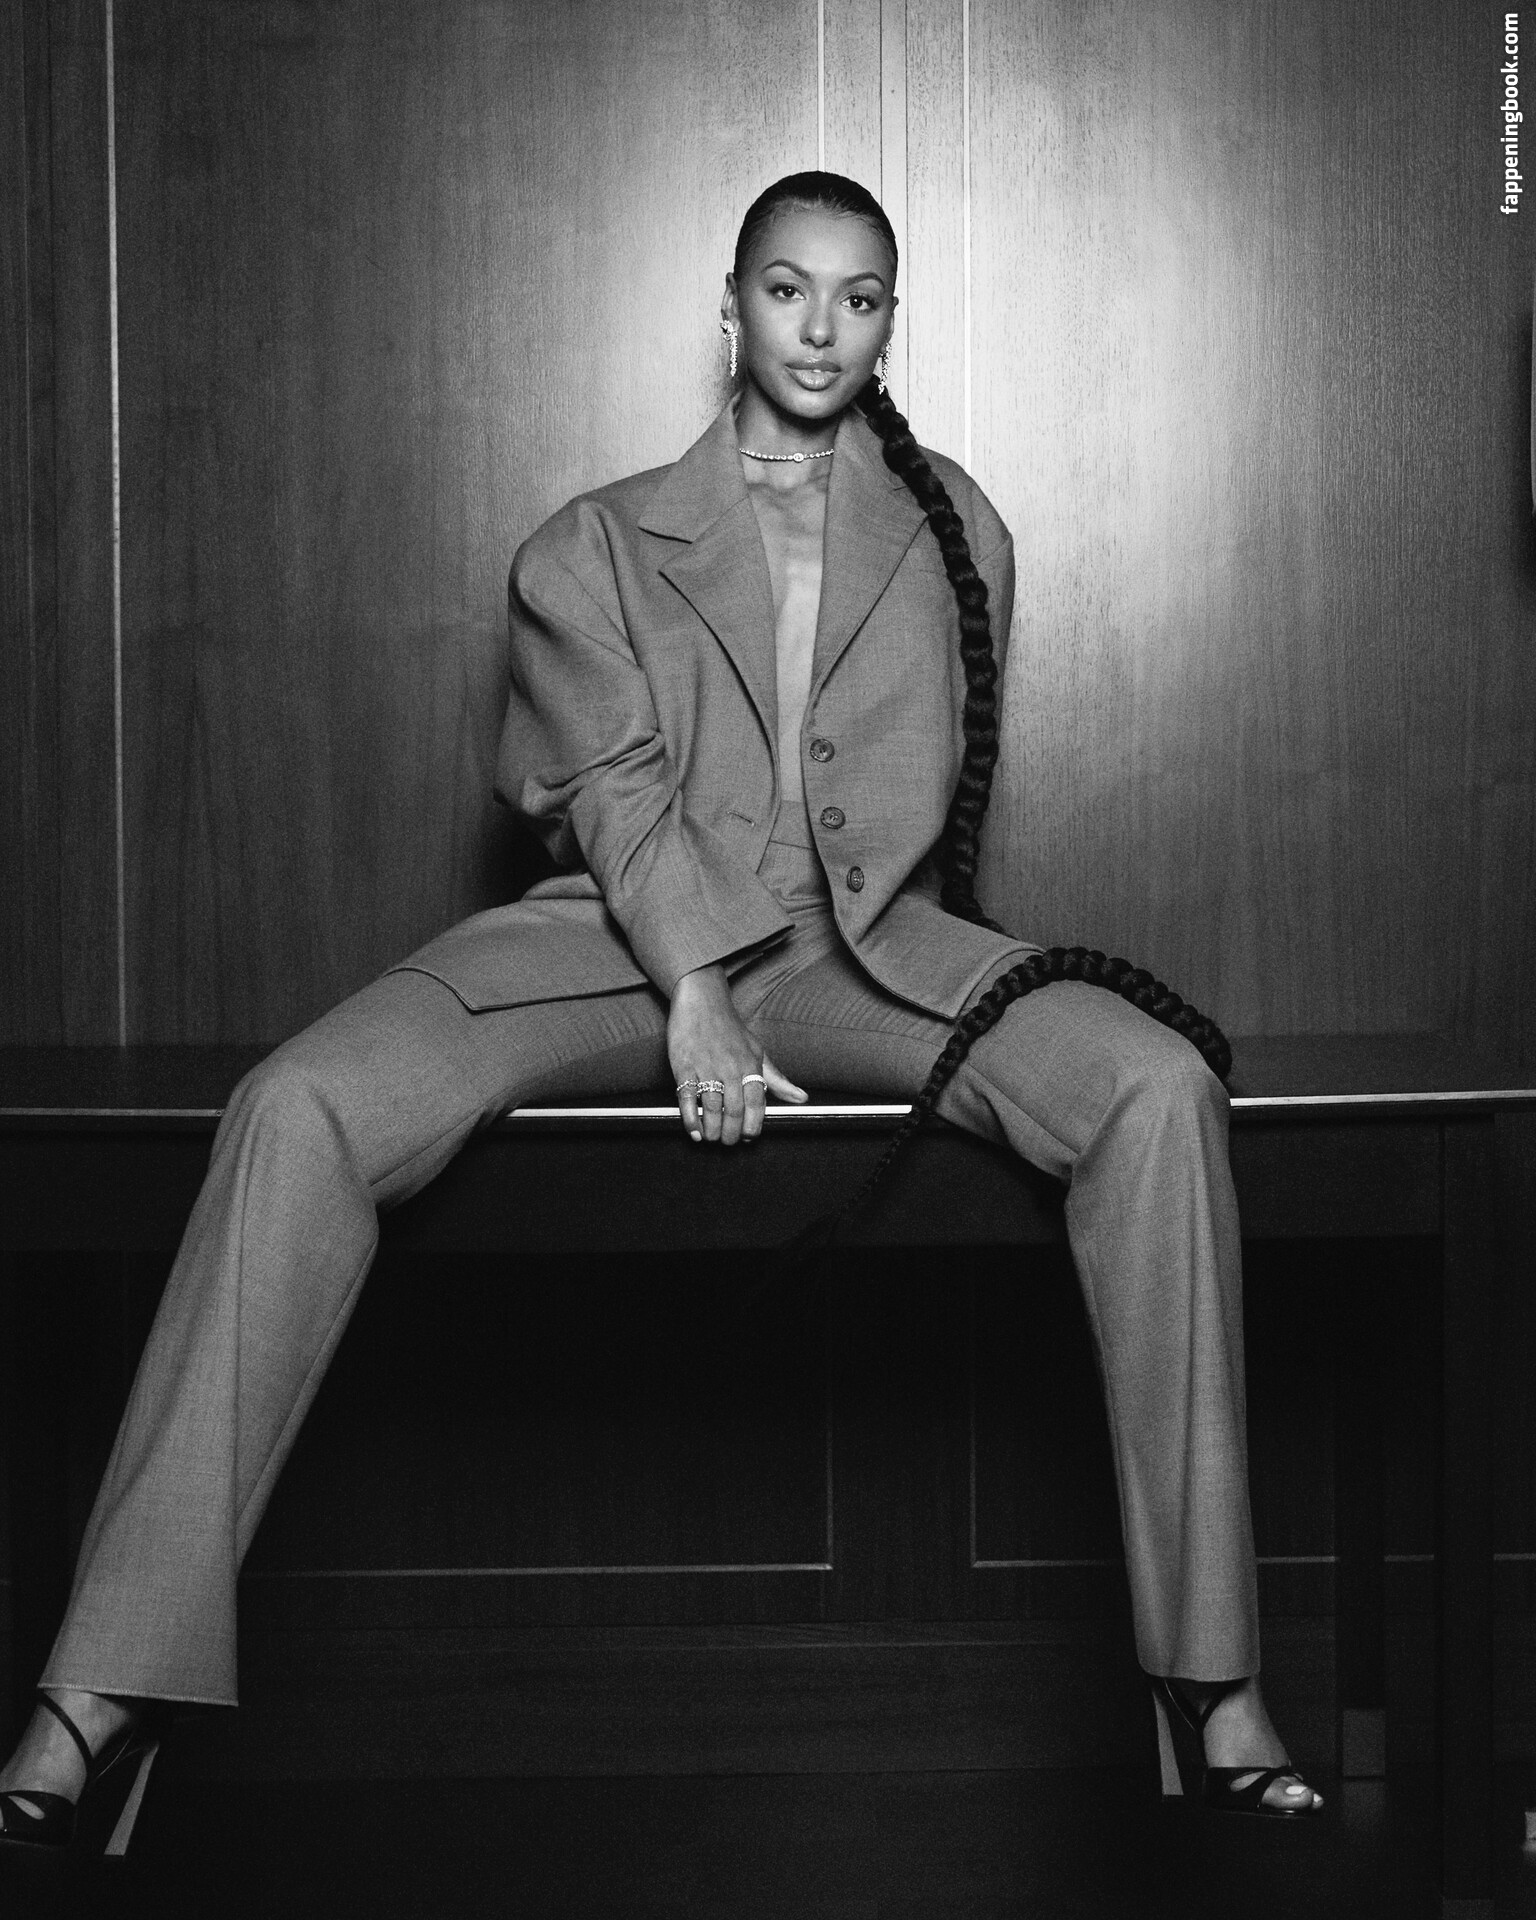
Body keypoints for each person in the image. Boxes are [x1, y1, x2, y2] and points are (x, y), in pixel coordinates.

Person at [0, 171, 1320, 1853]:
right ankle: (105, 1685)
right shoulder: (594, 541)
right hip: (618, 948)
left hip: (866, 960)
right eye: (788, 289)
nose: (821, 328)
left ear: (891, 322)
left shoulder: (960, 533)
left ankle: (1209, 1678)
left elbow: (917, 818)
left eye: (858, 297)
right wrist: (697, 989)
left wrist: (824, 968)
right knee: (296, 1106)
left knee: (1156, 1087)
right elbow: (613, 792)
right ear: (732, 306)